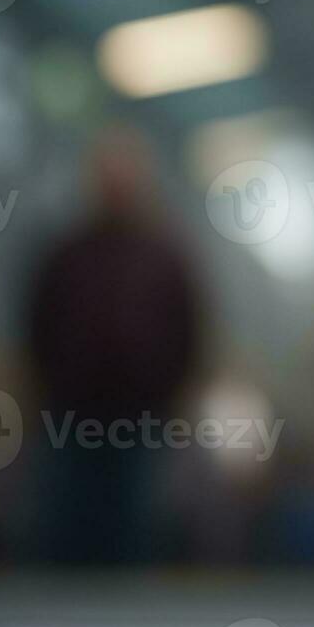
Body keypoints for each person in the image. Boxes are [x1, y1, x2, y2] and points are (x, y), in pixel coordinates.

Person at [27, 128, 203, 565]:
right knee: (69, 528)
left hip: (140, 421)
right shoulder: (66, 255)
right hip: (71, 418)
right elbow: (37, 325)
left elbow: (189, 332)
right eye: (108, 176)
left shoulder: (165, 258)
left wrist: (172, 397)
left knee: (131, 531)